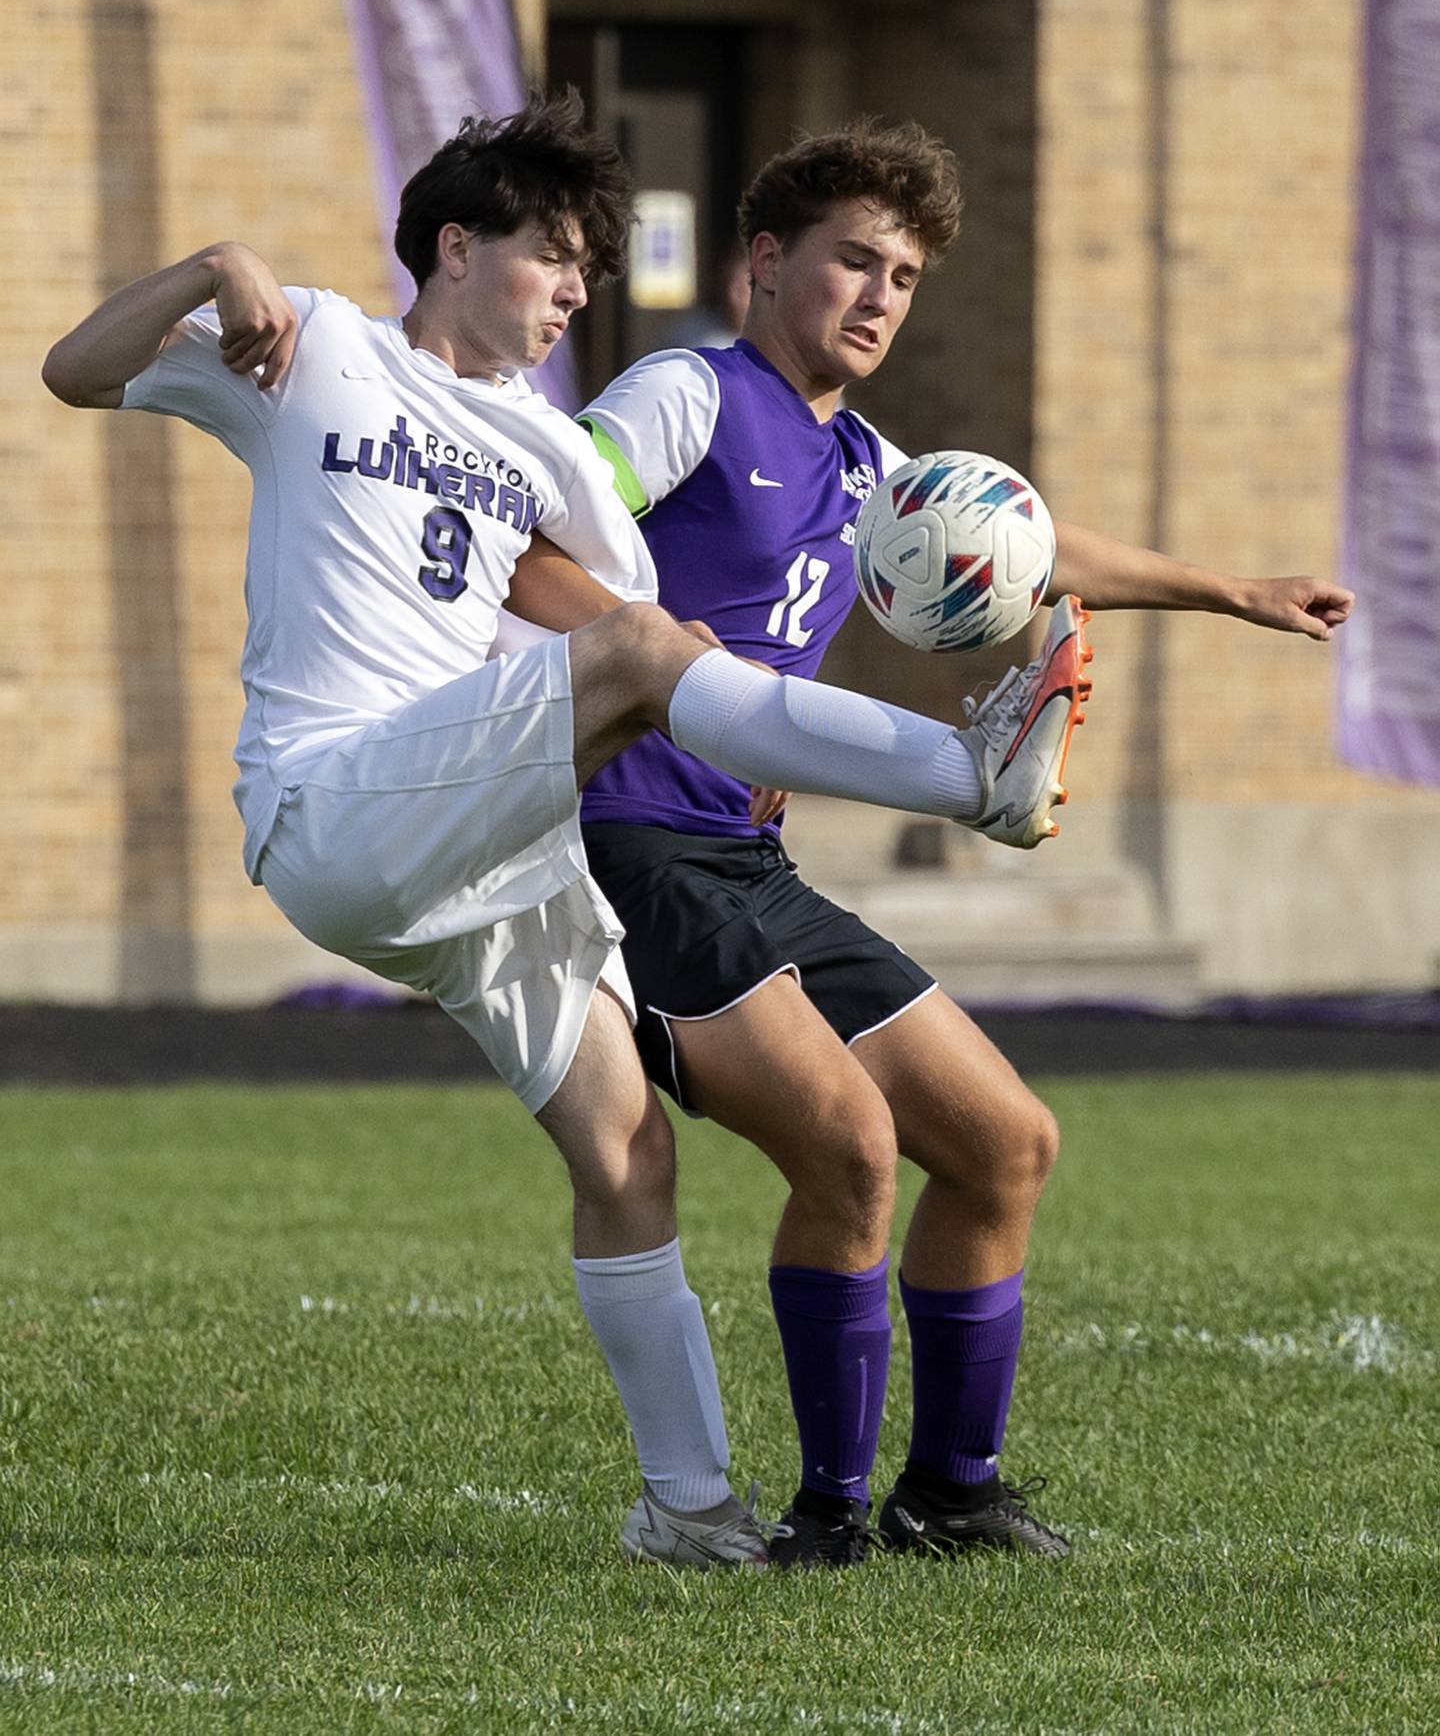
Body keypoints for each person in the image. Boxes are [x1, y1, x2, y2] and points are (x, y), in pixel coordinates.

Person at [42, 95, 1093, 1572]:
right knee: (654, 660)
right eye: (557, 256)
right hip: (334, 794)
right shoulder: (319, 348)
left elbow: (644, 644)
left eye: (593, 267)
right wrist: (215, 263)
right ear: (457, 247)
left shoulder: (540, 449)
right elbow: (70, 369)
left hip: (481, 838)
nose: (579, 290)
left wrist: (732, 720)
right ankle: (970, 774)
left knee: (626, 1154)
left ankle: (688, 1510)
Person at [504, 118, 1355, 1568]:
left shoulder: (860, 456)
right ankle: (827, 1518)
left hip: (752, 867)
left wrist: (1230, 589)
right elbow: (530, 540)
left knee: (1004, 1142)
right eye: (853, 259)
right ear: (766, 265)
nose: (882, 295)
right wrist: (653, 648)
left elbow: (1030, 548)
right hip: (629, 849)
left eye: (902, 274)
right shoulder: (686, 393)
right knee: (848, 1148)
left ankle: (948, 1491)